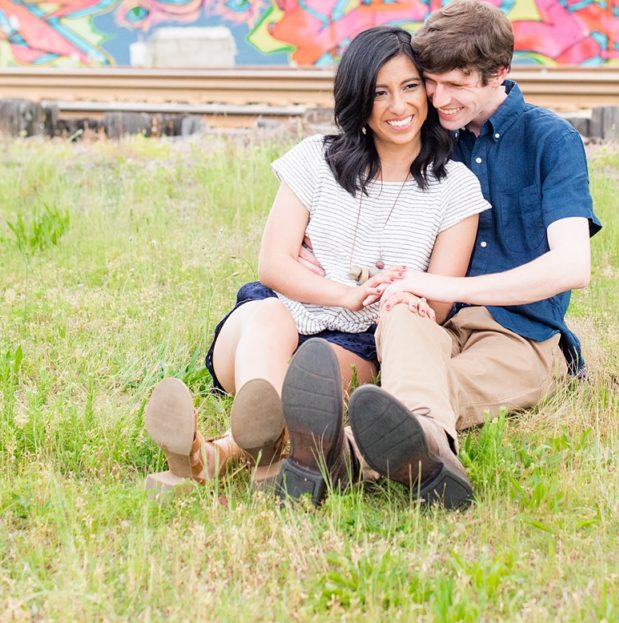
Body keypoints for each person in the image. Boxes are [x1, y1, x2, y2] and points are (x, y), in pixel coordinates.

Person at [143, 25, 490, 502]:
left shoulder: (455, 187)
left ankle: (217, 457)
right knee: (268, 313)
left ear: (426, 91)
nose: (399, 106)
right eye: (380, 92)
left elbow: (440, 302)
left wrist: (393, 292)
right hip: (270, 324)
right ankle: (266, 439)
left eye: (410, 87)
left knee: (315, 374)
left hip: (358, 341)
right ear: (357, 99)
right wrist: (343, 293)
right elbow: (273, 264)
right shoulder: (315, 159)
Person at [294, 0, 601, 510]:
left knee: (437, 389)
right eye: (431, 81)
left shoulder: (551, 140)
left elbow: (572, 267)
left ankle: (350, 453)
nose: (438, 98)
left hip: (517, 333)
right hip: (428, 321)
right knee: (401, 319)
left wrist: (442, 287)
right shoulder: (433, 135)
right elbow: (371, 203)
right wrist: (314, 248)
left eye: (456, 84)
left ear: (499, 73)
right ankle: (416, 459)